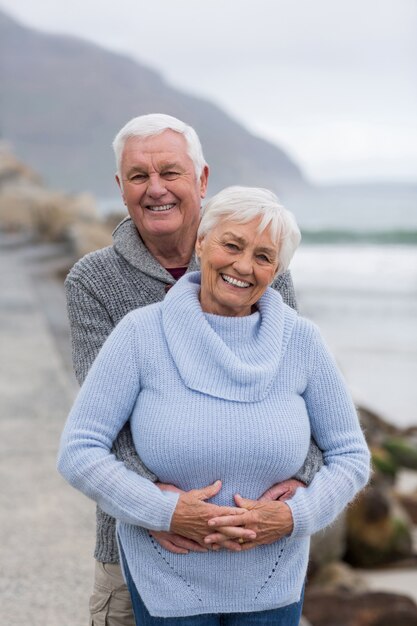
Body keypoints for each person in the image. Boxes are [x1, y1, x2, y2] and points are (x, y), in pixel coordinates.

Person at [59, 185, 370, 625]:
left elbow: (351, 457)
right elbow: (79, 451)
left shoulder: (302, 342)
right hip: (165, 578)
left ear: (276, 270)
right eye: (232, 244)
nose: (244, 266)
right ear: (201, 242)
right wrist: (161, 511)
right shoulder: (141, 334)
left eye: (264, 257)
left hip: (273, 581)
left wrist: (291, 517)